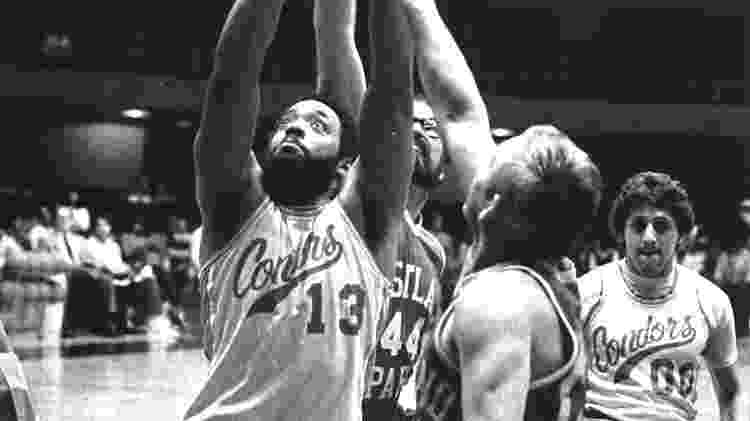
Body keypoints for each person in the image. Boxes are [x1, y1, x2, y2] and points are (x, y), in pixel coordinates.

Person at [183, 0, 416, 418]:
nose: (293, 126)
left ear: (346, 164)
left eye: (317, 125)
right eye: (286, 121)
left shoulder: (367, 224)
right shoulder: (234, 209)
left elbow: (393, 92)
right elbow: (232, 75)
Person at [361, 0, 497, 418]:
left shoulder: (434, 252)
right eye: (410, 124)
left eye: (431, 128)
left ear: (445, 173)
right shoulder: (355, 214)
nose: (419, 129)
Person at [417, 125, 603, 421]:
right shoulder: (539, 270)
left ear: (492, 204)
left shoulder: (499, 304)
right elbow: (460, 115)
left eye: (491, 161)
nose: (480, 161)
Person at [579, 172, 748, 421]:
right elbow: (562, 391)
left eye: (661, 226)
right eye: (638, 226)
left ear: (680, 235)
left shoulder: (711, 301)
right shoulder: (587, 291)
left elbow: (731, 393)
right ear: (621, 233)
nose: (649, 237)